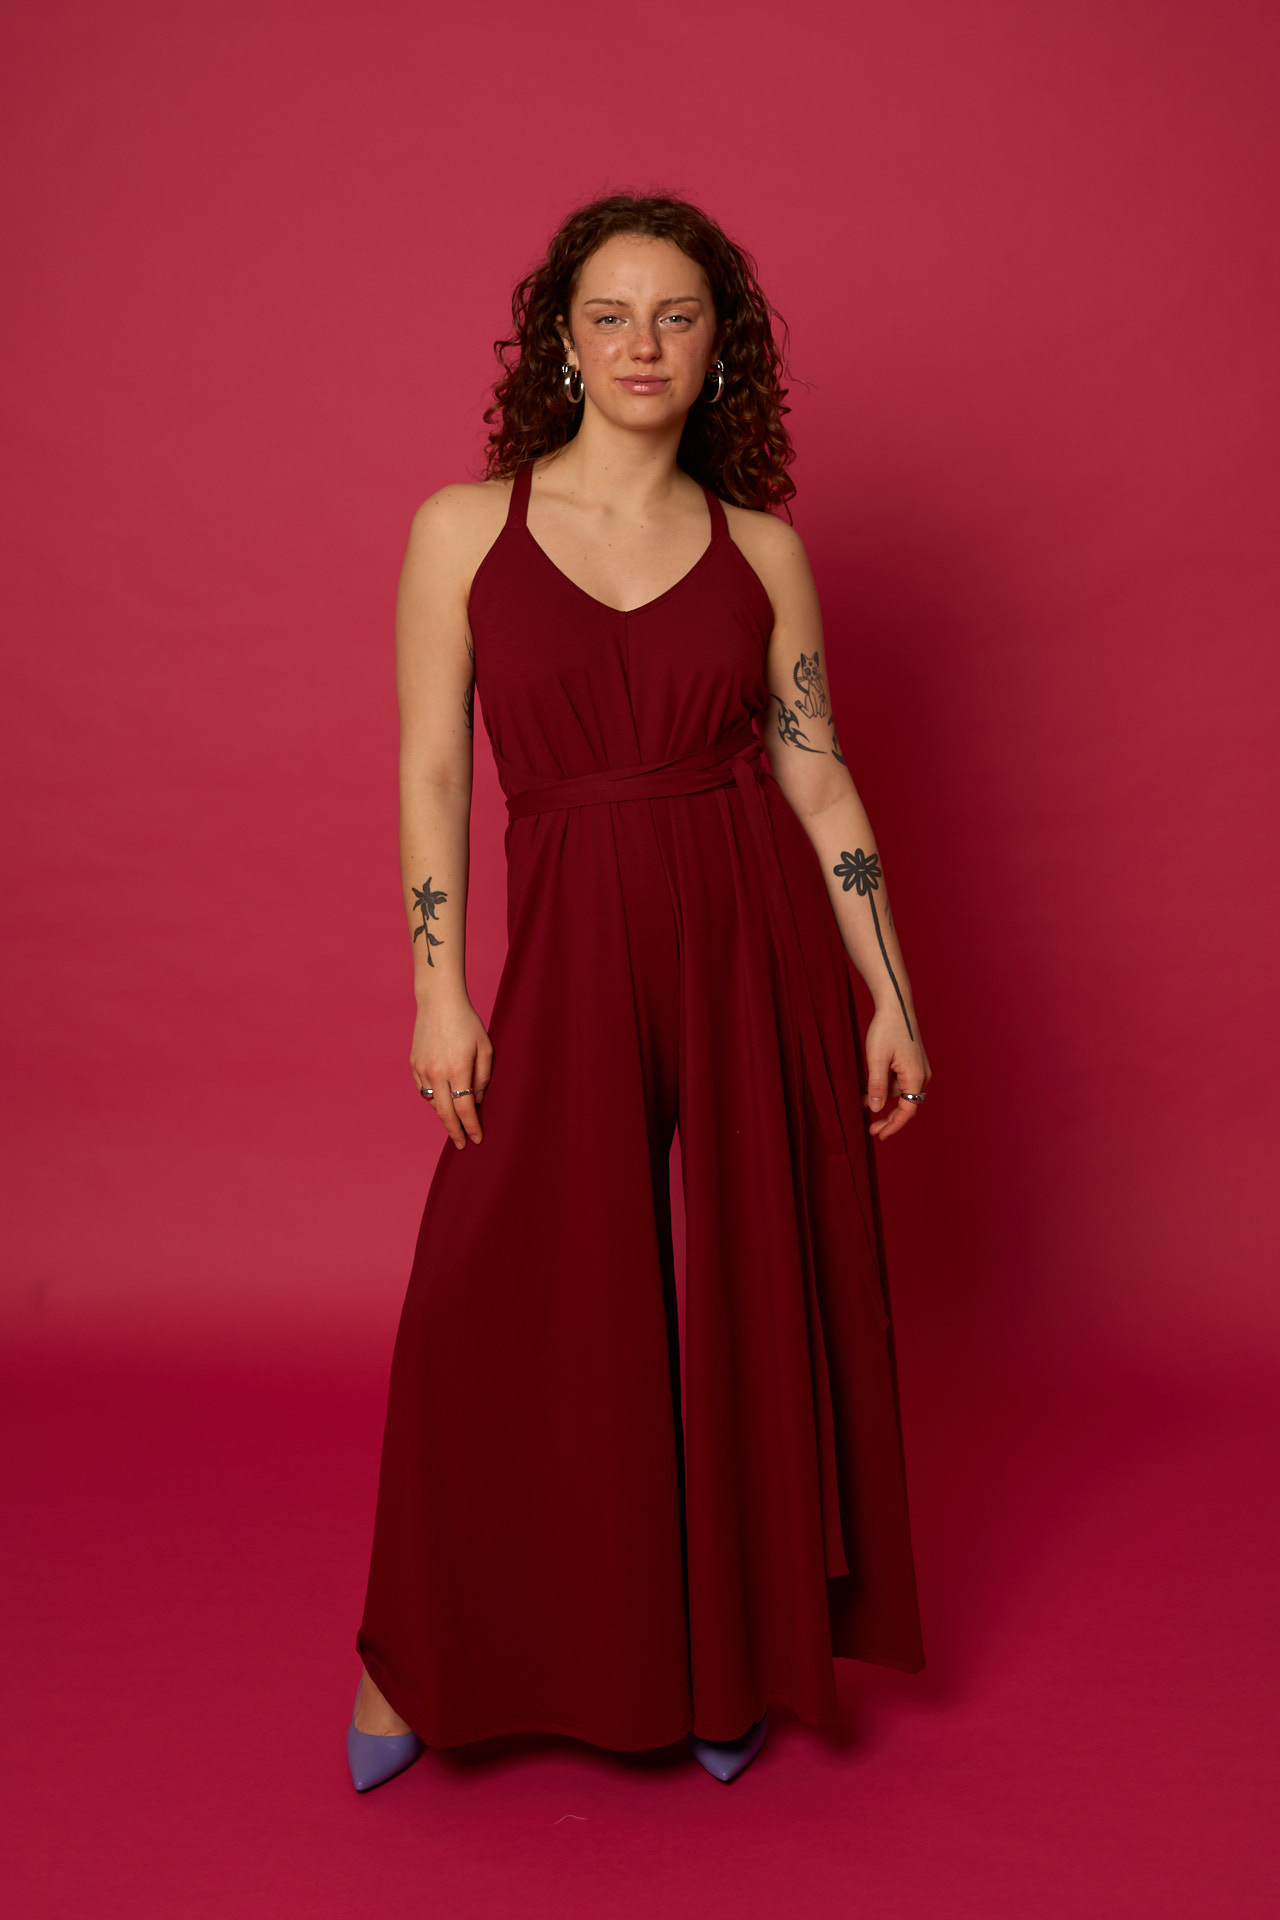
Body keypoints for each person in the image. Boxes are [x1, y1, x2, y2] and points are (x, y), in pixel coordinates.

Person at [346, 191, 931, 1793]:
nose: (643, 345)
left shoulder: (762, 552)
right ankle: (412, 1654)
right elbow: (430, 773)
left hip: (748, 936)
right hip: (570, 942)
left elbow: (818, 776)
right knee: (499, 1286)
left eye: (678, 316)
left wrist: (888, 991)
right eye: (610, 315)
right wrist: (438, 987)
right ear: (562, 340)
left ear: (720, 347)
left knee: (745, 1290)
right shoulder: (463, 530)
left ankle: (729, 1658)